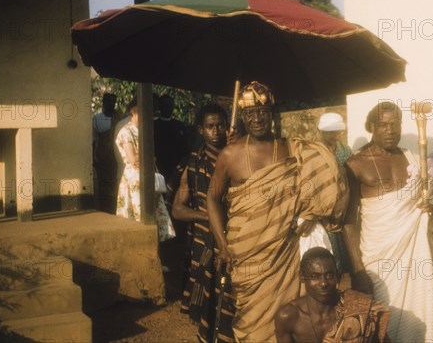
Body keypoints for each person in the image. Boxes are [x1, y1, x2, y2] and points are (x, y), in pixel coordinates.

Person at [206, 81, 348, 341]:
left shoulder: (293, 150)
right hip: (245, 254)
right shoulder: (230, 155)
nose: (257, 118)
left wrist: (310, 213)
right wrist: (223, 245)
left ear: (273, 113)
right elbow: (212, 199)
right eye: (250, 113)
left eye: (263, 112)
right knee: (251, 322)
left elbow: (324, 184)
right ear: (244, 117)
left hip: (284, 253)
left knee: (286, 315)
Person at [343, 101, 433, 342]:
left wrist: (430, 207)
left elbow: (431, 203)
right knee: (382, 323)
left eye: (395, 124)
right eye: (383, 125)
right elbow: (348, 221)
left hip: (415, 256)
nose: (390, 130)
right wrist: (358, 269)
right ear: (371, 126)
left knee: (424, 313)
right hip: (378, 259)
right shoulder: (355, 165)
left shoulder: (411, 159)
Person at [171, 104, 235, 343]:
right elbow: (178, 210)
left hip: (237, 235)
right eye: (210, 126)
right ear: (201, 129)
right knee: (209, 295)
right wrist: (210, 215)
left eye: (220, 125)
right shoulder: (193, 164)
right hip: (204, 241)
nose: (216, 131)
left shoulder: (237, 156)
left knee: (232, 295)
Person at [274, 247, 389, 343]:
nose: (323, 283)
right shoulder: (288, 317)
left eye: (329, 275)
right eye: (315, 276)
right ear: (302, 277)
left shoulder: (359, 309)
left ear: (337, 277)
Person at [115, 97, 176, 242]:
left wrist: (149, 158)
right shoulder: (126, 131)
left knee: (152, 216)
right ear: (133, 111)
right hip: (135, 178)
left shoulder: (144, 130)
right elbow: (133, 160)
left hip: (147, 175)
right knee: (139, 216)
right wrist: (149, 158)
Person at [315, 112, 353, 277]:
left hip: (342, 211)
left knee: (346, 257)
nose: (332, 135)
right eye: (328, 131)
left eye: (335, 131)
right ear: (320, 131)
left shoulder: (345, 152)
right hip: (320, 214)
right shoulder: (313, 152)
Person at [92, 93, 120, 214]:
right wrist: (94, 158)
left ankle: (114, 208)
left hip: (116, 156)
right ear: (103, 103)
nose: (111, 105)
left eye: (113, 102)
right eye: (108, 102)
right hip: (103, 157)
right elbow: (94, 140)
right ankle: (104, 210)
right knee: (103, 185)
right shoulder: (97, 119)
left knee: (114, 184)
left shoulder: (118, 118)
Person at [154, 94, 189, 180]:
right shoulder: (153, 125)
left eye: (170, 105)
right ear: (160, 107)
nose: (167, 108)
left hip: (176, 167)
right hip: (159, 166)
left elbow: (185, 147)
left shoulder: (179, 126)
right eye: (165, 105)